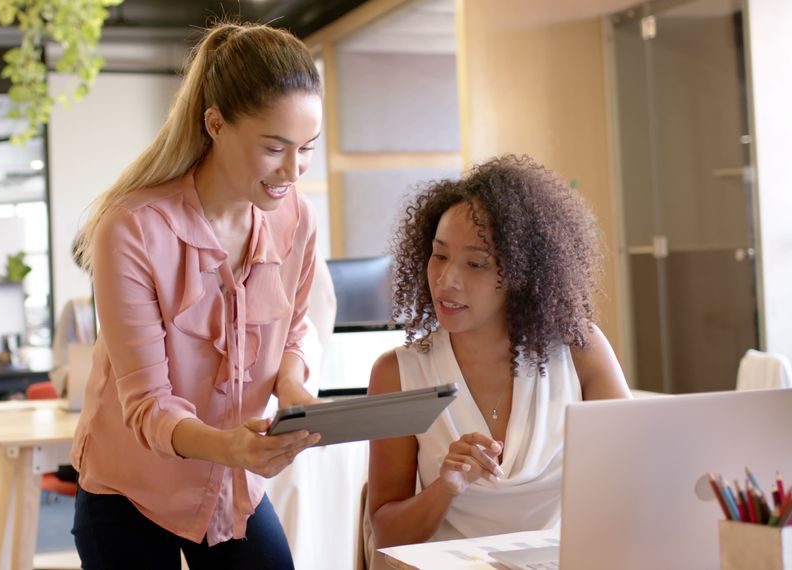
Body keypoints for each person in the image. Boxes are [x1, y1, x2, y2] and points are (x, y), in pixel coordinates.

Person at [70, 21, 324, 569]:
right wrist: (233, 445)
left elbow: (296, 328)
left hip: (230, 483)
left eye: (306, 148)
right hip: (130, 486)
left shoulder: (296, 218)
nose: (292, 170)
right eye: (274, 148)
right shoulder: (133, 228)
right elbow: (147, 406)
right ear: (216, 124)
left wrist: (293, 384)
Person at [366, 156, 632, 562]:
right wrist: (446, 487)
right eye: (439, 256)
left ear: (525, 274)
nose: (446, 279)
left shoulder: (581, 353)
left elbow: (635, 480)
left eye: (475, 263)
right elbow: (385, 532)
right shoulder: (397, 373)